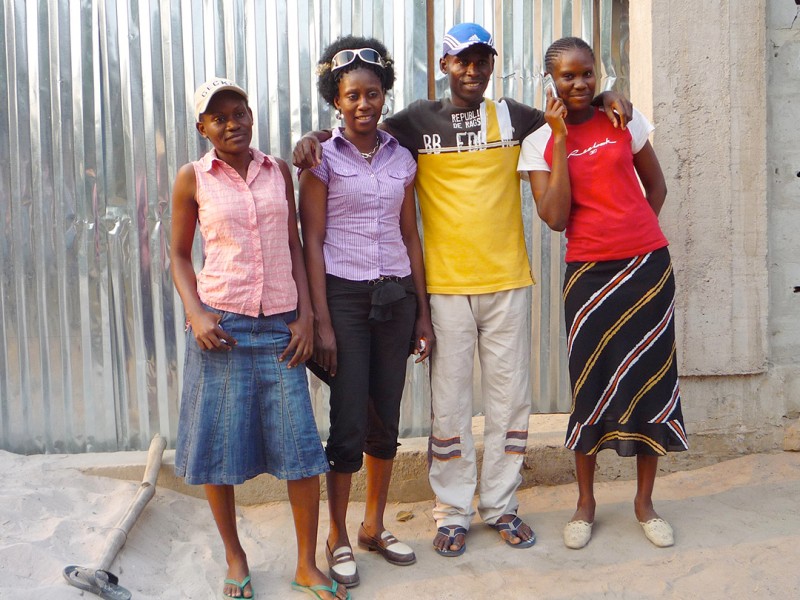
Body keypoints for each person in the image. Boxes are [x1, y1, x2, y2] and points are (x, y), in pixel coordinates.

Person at [293, 23, 632, 557]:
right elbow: (357, 124)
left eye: (481, 61)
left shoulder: (516, 117)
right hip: (446, 290)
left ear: (492, 64)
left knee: (509, 402)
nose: (472, 71)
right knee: (449, 405)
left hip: (507, 283)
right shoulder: (413, 123)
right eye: (461, 62)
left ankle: (500, 505)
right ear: (444, 66)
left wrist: (612, 94)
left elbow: (574, 107)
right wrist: (310, 137)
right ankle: (451, 512)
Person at [171, 78, 349, 600]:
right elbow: (179, 255)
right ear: (201, 127)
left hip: (280, 328)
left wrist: (307, 317)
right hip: (220, 329)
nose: (233, 123)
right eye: (219, 117)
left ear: (252, 115)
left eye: (240, 111)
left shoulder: (279, 172)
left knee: (300, 448)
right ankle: (234, 555)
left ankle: (305, 565)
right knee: (217, 445)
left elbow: (294, 244)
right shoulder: (193, 178)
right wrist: (196, 313)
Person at [518, 37, 688, 550]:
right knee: (589, 384)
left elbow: (655, 187)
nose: (579, 83)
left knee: (651, 379)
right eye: (567, 76)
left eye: (587, 73)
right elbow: (554, 217)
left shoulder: (623, 118)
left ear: (598, 73)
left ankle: (644, 503)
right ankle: (585, 504)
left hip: (646, 270)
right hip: (587, 277)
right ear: (552, 80)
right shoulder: (538, 140)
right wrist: (561, 139)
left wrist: (634, 236)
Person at [299, 36, 434, 588]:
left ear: (384, 96)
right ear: (336, 98)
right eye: (352, 94)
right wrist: (323, 320)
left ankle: (373, 526)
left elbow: (411, 234)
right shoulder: (320, 157)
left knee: (386, 414)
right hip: (345, 298)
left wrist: (422, 313)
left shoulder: (402, 157)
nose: (363, 104)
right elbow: (312, 241)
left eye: (373, 93)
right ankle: (335, 534)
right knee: (349, 419)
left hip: (396, 296)